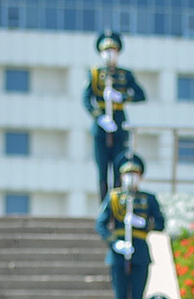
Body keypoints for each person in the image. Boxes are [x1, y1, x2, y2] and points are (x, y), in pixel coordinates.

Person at [96, 154, 165, 299]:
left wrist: (143, 223)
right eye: (128, 174)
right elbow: (100, 224)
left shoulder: (148, 199)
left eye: (135, 174)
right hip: (118, 255)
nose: (131, 178)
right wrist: (114, 242)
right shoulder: (114, 197)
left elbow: (160, 223)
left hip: (140, 253)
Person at [83, 32, 145, 202]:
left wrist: (122, 97)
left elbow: (141, 94)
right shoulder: (95, 73)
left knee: (119, 168)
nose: (110, 54)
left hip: (119, 123)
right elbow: (86, 99)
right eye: (106, 50)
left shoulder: (125, 74)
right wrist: (99, 117)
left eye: (113, 50)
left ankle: (118, 204)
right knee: (102, 171)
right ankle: (105, 206)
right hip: (102, 125)